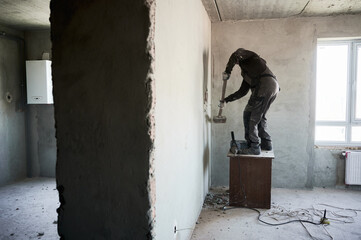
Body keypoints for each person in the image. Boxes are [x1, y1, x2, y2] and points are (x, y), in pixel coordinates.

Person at [221, 48, 279, 155]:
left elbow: (236, 54)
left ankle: (254, 146)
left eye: (237, 60)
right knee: (256, 115)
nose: (237, 61)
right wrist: (226, 100)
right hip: (271, 87)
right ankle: (266, 143)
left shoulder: (252, 57)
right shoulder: (248, 73)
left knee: (252, 117)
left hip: (265, 86)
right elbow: (242, 92)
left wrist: (228, 71)